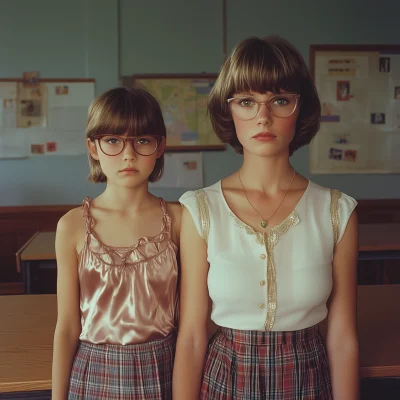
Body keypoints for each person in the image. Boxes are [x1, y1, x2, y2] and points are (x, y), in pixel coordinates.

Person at [173, 36, 359, 399]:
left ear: (300, 109)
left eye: (279, 100)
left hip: (308, 378)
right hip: (226, 376)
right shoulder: (200, 209)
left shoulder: (337, 211)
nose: (263, 116)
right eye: (246, 102)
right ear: (229, 111)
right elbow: (193, 335)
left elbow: (342, 335)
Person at [52, 87, 181, 399]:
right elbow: (67, 326)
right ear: (93, 147)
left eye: (142, 140)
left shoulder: (180, 220)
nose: (128, 154)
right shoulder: (71, 226)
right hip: (93, 371)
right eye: (113, 140)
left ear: (160, 145)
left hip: (164, 369)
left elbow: (193, 321)